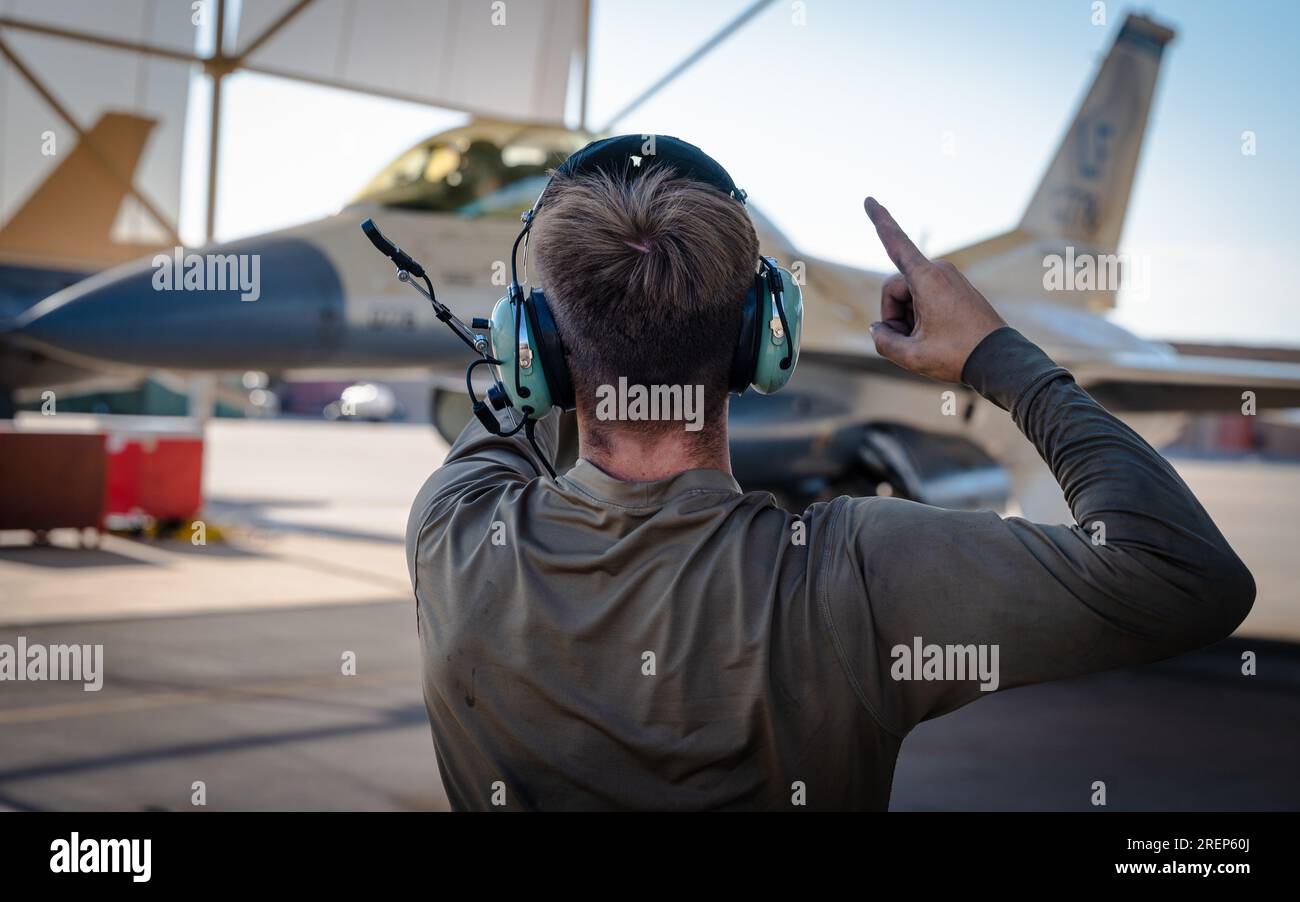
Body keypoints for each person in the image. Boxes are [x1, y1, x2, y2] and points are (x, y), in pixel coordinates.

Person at [405, 146, 1254, 811]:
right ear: (764, 342)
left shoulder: (453, 531)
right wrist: (998, 357)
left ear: (540, 347)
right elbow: (1186, 577)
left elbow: (513, 402)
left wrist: (549, 347)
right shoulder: (857, 574)